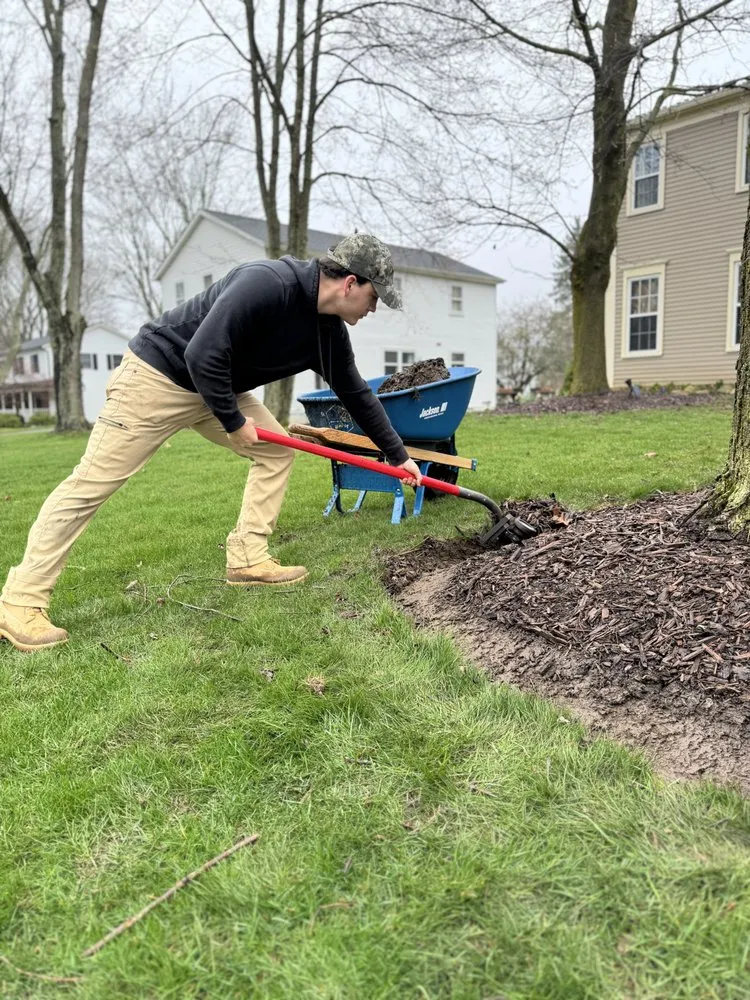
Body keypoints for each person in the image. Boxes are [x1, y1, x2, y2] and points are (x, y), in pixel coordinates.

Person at [0, 233, 422, 652]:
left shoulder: (327, 332)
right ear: (350, 283)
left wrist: (397, 455)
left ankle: (248, 556)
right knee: (91, 484)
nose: (373, 308)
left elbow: (356, 393)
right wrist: (233, 422)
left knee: (276, 450)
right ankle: (19, 602)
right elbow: (201, 353)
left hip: (215, 387)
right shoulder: (268, 283)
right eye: (374, 297)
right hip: (155, 378)